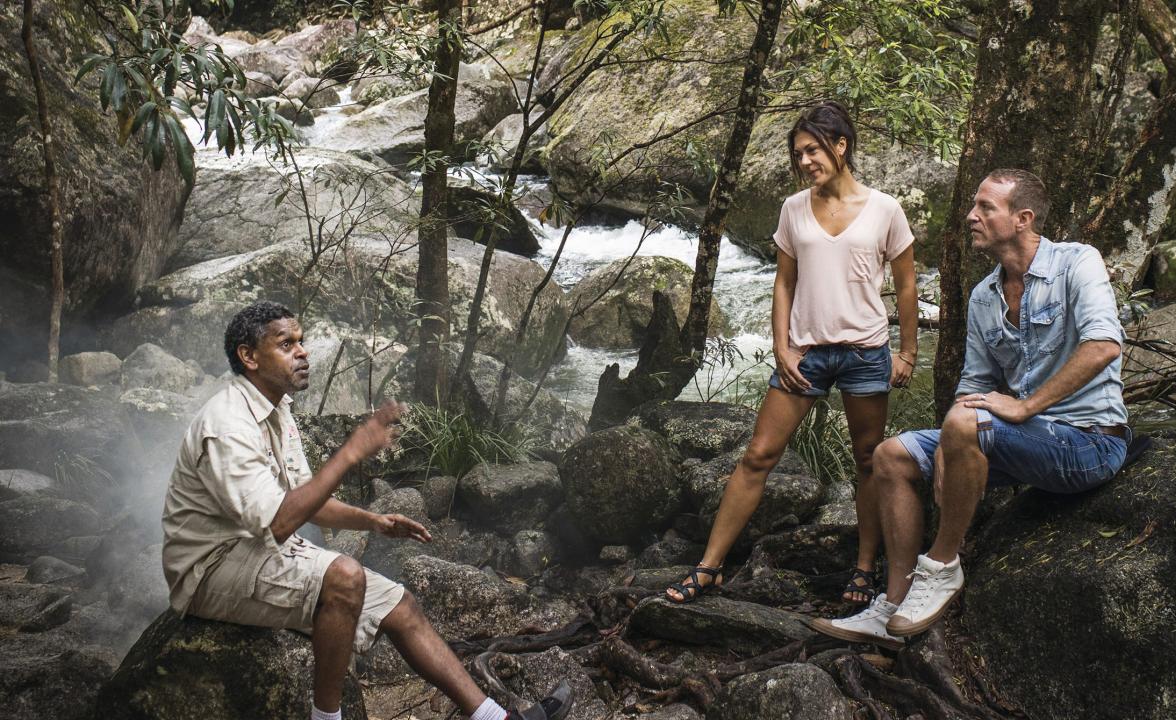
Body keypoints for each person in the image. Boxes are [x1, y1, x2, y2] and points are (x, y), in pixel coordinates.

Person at [161, 301, 571, 720]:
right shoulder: (227, 424)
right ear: (249, 356)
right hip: (210, 569)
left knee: (401, 605)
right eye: (286, 344)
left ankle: (496, 718)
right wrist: (351, 453)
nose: (302, 352)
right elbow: (281, 522)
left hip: (257, 549)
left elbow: (306, 499)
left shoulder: (277, 409)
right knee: (344, 577)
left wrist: (373, 521)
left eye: (301, 342)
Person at [810, 169, 1131, 649]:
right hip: (1028, 442)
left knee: (963, 424)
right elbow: (975, 386)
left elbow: (1104, 345)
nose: (970, 215)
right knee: (890, 455)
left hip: (1090, 442)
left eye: (985, 208)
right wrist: (948, 444)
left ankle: (941, 568)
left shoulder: (1076, 262)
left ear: (1022, 219)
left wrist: (1024, 406)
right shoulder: (984, 296)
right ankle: (893, 605)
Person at [666, 101, 920, 605]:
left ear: (840, 146)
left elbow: (907, 286)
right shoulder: (793, 209)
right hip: (806, 354)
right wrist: (781, 344)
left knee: (868, 460)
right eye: (798, 153)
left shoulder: (885, 209)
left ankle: (864, 570)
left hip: (866, 351)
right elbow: (784, 283)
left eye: (813, 150)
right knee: (759, 455)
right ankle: (709, 566)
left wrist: (907, 353)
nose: (804, 161)